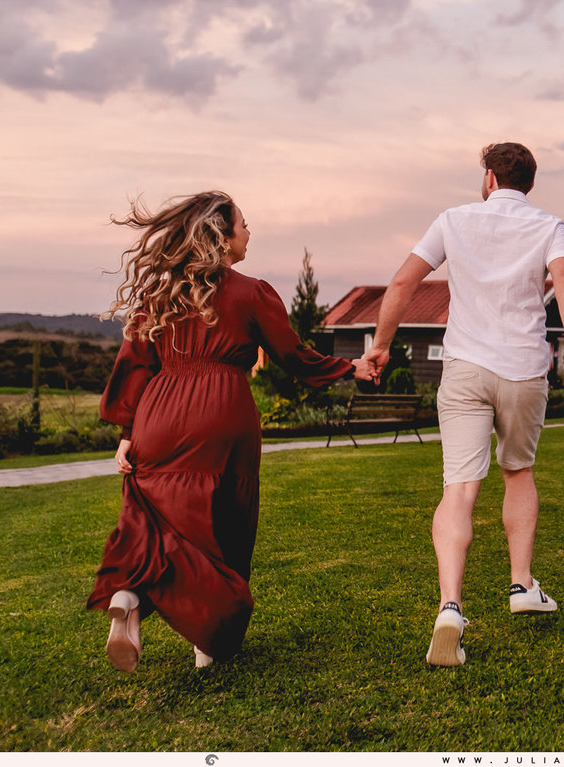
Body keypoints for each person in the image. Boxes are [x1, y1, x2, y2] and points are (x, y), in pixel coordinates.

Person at [88, 191, 376, 672]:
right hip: (221, 412)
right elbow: (293, 355)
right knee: (222, 524)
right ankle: (209, 643)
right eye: (244, 224)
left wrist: (126, 429)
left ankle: (131, 594)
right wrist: (350, 368)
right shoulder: (250, 292)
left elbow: (134, 363)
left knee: (154, 517)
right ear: (222, 238)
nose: (249, 231)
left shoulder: (159, 294)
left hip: (158, 411)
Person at [363, 142, 564, 667]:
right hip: (522, 370)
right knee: (518, 471)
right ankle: (520, 587)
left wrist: (379, 345)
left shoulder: (453, 220)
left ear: (490, 178)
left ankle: (450, 607)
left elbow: (403, 281)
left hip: (465, 367)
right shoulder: (552, 227)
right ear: (528, 183)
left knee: (460, 488)